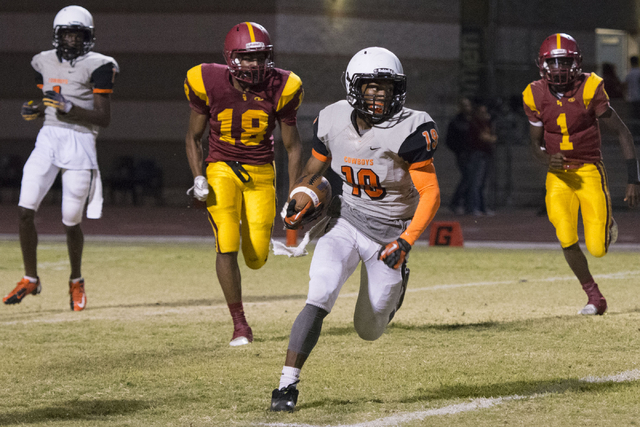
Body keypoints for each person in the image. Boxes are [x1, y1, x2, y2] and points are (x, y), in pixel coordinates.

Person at [270, 47, 441, 412]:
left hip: (391, 234)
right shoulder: (331, 119)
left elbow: (431, 194)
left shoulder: (412, 128)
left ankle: (398, 282)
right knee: (320, 291)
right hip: (346, 220)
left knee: (369, 329)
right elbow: (314, 171)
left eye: (387, 87)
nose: (380, 94)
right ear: (353, 87)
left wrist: (407, 241)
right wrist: (300, 198)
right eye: (371, 87)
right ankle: (286, 384)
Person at [184, 22, 304, 346]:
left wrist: (294, 192)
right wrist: (198, 177)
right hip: (220, 167)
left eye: (260, 58)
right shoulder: (206, 80)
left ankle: (252, 252)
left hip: (261, 172)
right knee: (227, 240)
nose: (254, 65)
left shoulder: (284, 85)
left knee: (257, 257)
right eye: (246, 58)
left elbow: (293, 146)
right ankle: (240, 325)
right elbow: (193, 138)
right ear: (230, 57)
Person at [3, 6, 119, 311]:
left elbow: (103, 118)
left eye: (77, 34)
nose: (71, 39)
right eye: (67, 33)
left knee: (71, 220)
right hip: (49, 137)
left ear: (87, 36)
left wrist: (70, 109)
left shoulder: (101, 65)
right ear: (58, 35)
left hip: (81, 140)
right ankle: (31, 278)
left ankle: (76, 280)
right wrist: (36, 109)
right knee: (25, 208)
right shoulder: (43, 61)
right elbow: (48, 102)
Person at [522, 33, 639, 316]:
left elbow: (623, 132)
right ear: (542, 65)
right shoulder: (534, 94)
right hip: (559, 177)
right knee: (566, 236)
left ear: (577, 63)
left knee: (598, 248)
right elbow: (534, 145)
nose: (559, 69)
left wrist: (633, 177)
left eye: (565, 62)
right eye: (554, 62)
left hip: (588, 170)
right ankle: (594, 297)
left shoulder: (591, 87)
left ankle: (606, 221)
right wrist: (548, 159)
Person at [468, 101, 497, 216]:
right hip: (478, 154)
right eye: (481, 112)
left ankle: (482, 207)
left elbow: (493, 137)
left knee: (483, 182)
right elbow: (483, 137)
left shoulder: (487, 123)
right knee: (476, 182)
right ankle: (474, 207)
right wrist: (489, 138)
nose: (484, 114)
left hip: (486, 154)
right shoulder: (475, 123)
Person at [446, 97, 474, 214]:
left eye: (468, 105)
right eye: (464, 105)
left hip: (473, 153)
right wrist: (459, 150)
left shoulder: (472, 120)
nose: (467, 108)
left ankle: (467, 204)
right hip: (462, 153)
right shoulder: (456, 121)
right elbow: (449, 140)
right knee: (467, 178)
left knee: (471, 179)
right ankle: (455, 202)